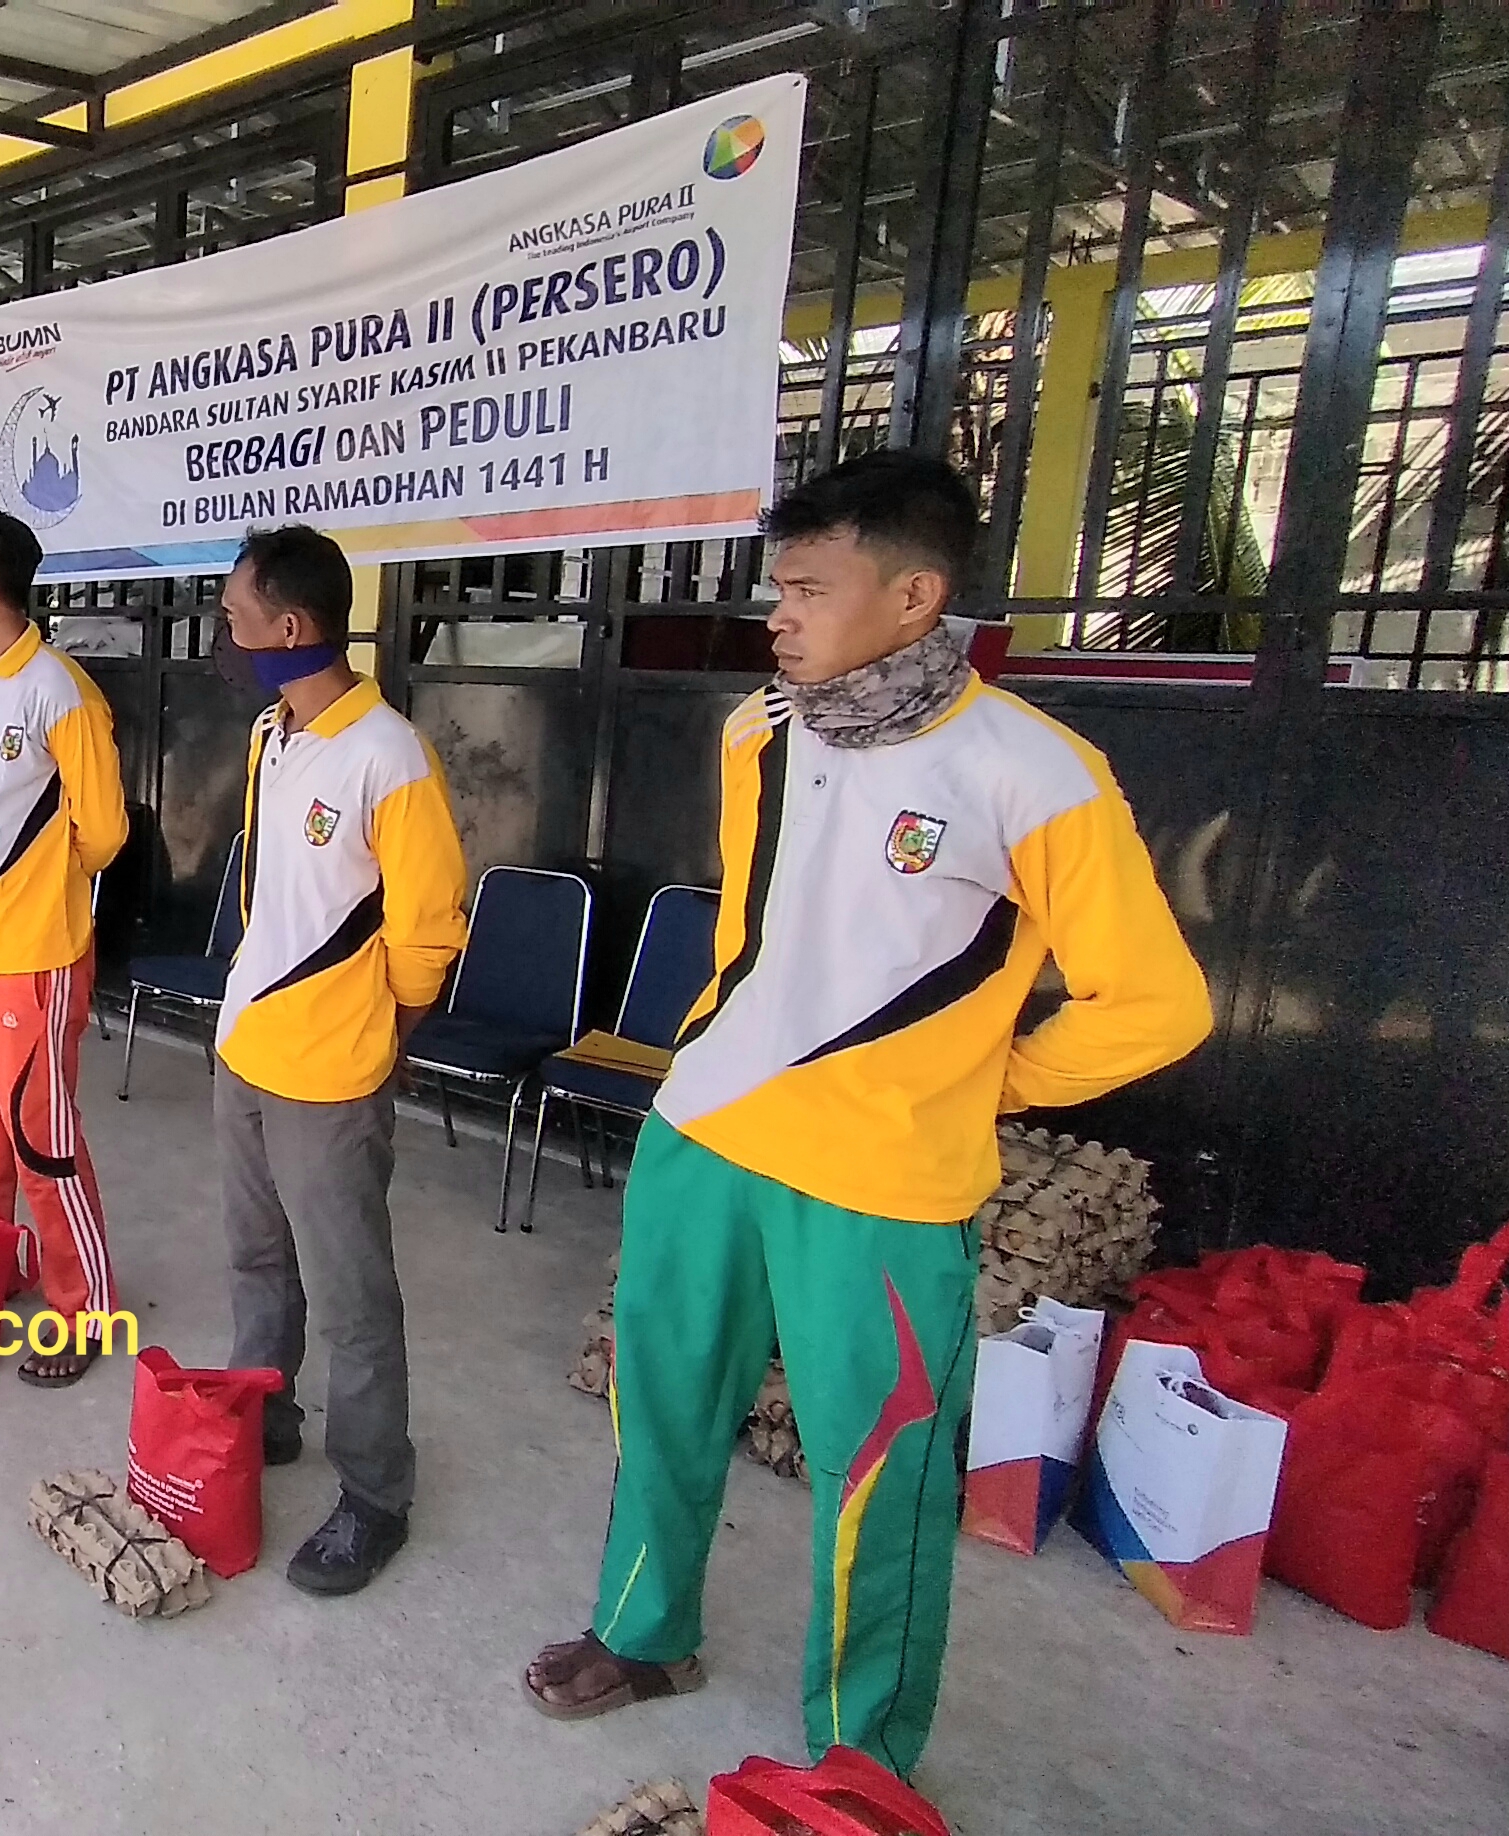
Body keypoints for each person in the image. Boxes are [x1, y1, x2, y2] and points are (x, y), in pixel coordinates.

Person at [520, 452, 1212, 1776]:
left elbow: (1155, 1004)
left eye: (806, 590)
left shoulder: (1036, 773)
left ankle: (862, 1752)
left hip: (881, 1186)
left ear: (914, 596)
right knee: (660, 1406)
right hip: (706, 1136)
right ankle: (645, 1632)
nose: (774, 618)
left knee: (883, 1472)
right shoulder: (760, 731)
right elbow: (762, 938)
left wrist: (989, 1078)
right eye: (776, 588)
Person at [209, 526, 468, 1595]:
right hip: (247, 1047)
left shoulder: (388, 755)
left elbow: (428, 931)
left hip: (331, 1072)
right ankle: (264, 1415)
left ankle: (373, 1495)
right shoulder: (272, 733)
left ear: (289, 627)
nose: (223, 633)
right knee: (255, 1259)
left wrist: (379, 1035)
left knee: (350, 1292)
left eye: (235, 617)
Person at [0, 508, 127, 1386]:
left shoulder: (60, 690)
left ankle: (83, 1306)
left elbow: (104, 831)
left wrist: (35, 887)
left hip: (31, 957)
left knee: (41, 1138)